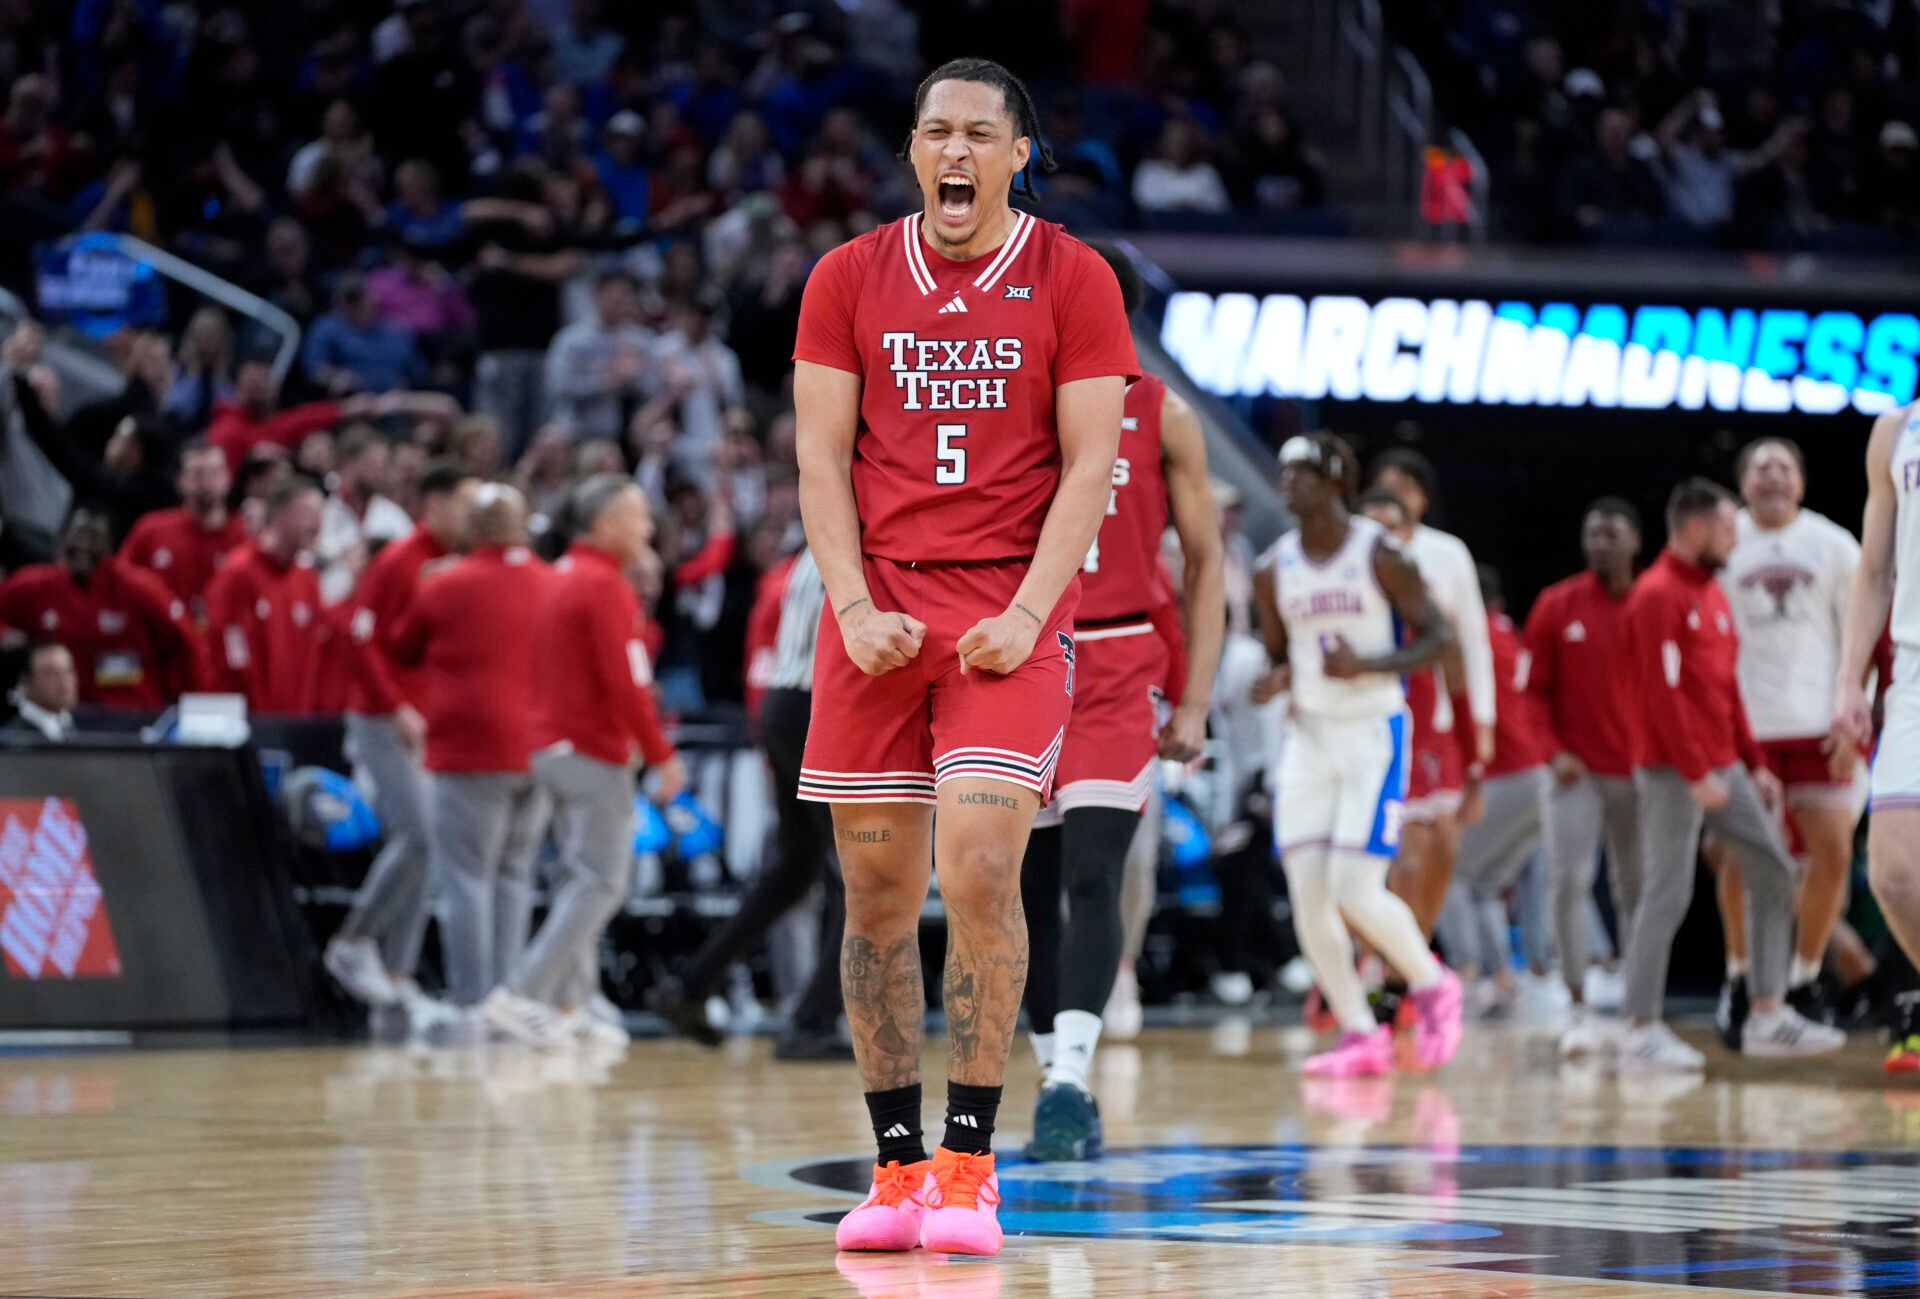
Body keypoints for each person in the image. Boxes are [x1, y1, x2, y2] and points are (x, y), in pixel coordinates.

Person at [792, 57, 1137, 1258]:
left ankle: (970, 1167)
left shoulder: (1074, 277)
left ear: (1016, 154)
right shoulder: (844, 276)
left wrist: (1035, 613)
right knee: (878, 900)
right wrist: (848, 603)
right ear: (913, 153)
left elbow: (1091, 467)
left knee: (984, 871)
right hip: (875, 622)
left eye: (978, 134)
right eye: (934, 131)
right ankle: (894, 1175)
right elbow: (820, 461)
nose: (954, 150)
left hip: (1004, 622)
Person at [1019, 239, 1225, 1162]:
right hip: (1016, 659)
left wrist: (1195, 698)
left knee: (1094, 875)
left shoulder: (1163, 412)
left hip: (1110, 665)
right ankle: (1045, 1063)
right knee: (1017, 889)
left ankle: (1068, 1080)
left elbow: (1207, 561)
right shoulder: (1005, 400)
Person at [1252, 433, 1464, 1078]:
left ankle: (1433, 985)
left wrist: (1366, 664)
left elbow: (1440, 636)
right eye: (1284, 472)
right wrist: (1279, 677)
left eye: (1303, 472)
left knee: (1354, 888)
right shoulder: (1273, 568)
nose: (1288, 482)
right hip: (1309, 739)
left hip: (1373, 731)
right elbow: (1283, 653)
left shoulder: (1380, 554)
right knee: (1309, 895)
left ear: (1336, 479)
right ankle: (1357, 1031)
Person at [1619, 479, 1844, 1068]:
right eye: (1726, 530)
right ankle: (1640, 1027)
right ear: (1695, 529)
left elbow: (1727, 688)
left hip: (1724, 764)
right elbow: (1658, 697)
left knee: (1773, 870)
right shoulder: (1657, 594)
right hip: (1672, 769)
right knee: (1666, 892)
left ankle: (1767, 1014)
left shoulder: (1714, 592)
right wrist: (1695, 772)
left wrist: (1753, 763)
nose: (1734, 539)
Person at [482, 475, 686, 1046]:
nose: (647, 527)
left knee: (580, 879)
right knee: (600, 881)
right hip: (591, 750)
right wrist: (662, 755)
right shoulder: (605, 587)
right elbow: (628, 684)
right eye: (638, 515)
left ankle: (571, 1005)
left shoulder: (557, 577)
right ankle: (522, 994)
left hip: (549, 746)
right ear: (605, 525)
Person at [648, 546, 854, 1061]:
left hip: (784, 703)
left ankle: (690, 987)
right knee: (868, 873)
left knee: (796, 866)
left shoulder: (806, 547)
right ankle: (813, 1020)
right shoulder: (862, 529)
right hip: (818, 706)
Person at [1709, 438, 1866, 1044]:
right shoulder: (1724, 542)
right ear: (1742, 484)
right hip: (1744, 729)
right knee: (1735, 861)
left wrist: (1854, 718)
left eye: (1784, 467)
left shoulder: (1834, 546)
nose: (1772, 476)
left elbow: (1862, 636)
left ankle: (1803, 980)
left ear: (1801, 482)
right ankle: (1741, 978)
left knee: (1832, 858)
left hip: (1819, 726)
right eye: (1760, 468)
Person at [388, 485, 555, 1031]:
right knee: (514, 876)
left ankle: (470, 1001)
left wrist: (428, 586)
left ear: (474, 530)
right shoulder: (552, 583)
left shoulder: (445, 584)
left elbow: (402, 646)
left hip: (468, 751)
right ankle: (507, 998)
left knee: (466, 880)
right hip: (537, 749)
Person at [324, 461, 479, 1012]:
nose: (472, 517)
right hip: (380, 718)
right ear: (433, 505)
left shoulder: (453, 564)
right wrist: (396, 707)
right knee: (418, 835)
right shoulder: (398, 560)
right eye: (464, 505)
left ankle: (397, 974)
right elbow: (360, 638)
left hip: (426, 721)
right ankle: (352, 941)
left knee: (427, 843)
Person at [1525, 498, 1646, 1054]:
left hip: (1643, 771)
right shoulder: (1556, 604)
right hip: (1576, 771)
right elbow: (1530, 694)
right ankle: (1576, 1005)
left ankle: (1637, 1007)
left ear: (1635, 543)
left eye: (1611, 534)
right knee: (1567, 880)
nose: (1600, 543)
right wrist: (1552, 753)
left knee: (1639, 889)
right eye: (1591, 533)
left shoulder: (1652, 604)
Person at [1369, 449, 1497, 945]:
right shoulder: (1348, 560)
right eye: (1389, 483)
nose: (1397, 493)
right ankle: (1386, 968)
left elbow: (1470, 647)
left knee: (1440, 845)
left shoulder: (1445, 554)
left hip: (1430, 715)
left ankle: (1412, 960)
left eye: (1408, 486)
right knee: (1401, 854)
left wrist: (1479, 728)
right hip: (1363, 720)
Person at [1832, 401, 1920, 1075]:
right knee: (1893, 875)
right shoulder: (1896, 430)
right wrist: (1848, 682)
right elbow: (1873, 571)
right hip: (1913, 674)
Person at [1433, 565, 1551, 1014]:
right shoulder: (1508, 634)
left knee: (1449, 873)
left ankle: (1468, 975)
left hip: (1508, 773)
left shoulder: (1472, 638)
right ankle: (1501, 977)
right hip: (1535, 775)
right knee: (1482, 882)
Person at [0, 507, 196, 710]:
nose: (83, 545)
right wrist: (6, 635)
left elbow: (185, 638)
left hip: (131, 713)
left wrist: (186, 700)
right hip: (60, 716)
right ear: (63, 538)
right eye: (78, 534)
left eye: (93, 537)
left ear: (110, 546)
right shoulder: (34, 586)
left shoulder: (139, 588)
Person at [202, 477, 328, 713]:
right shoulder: (237, 574)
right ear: (280, 514)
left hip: (294, 727)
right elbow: (229, 654)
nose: (318, 523)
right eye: (309, 512)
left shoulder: (307, 580)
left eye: (320, 513)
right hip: (246, 724)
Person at [119, 439, 246, 624]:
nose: (206, 483)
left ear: (228, 479)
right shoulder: (151, 530)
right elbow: (120, 582)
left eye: (214, 473)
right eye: (197, 474)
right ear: (180, 481)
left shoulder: (246, 534)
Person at [543, 267, 656, 441]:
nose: (619, 302)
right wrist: (605, 382)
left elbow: (653, 386)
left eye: (625, 296)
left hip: (624, 432)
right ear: (597, 296)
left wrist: (633, 379)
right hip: (577, 431)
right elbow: (557, 385)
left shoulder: (640, 340)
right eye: (614, 296)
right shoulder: (572, 339)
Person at [3, 641, 79, 741]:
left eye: (68, 670)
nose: (63, 681)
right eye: (51, 673)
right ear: (26, 681)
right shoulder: (14, 740)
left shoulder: (82, 726)